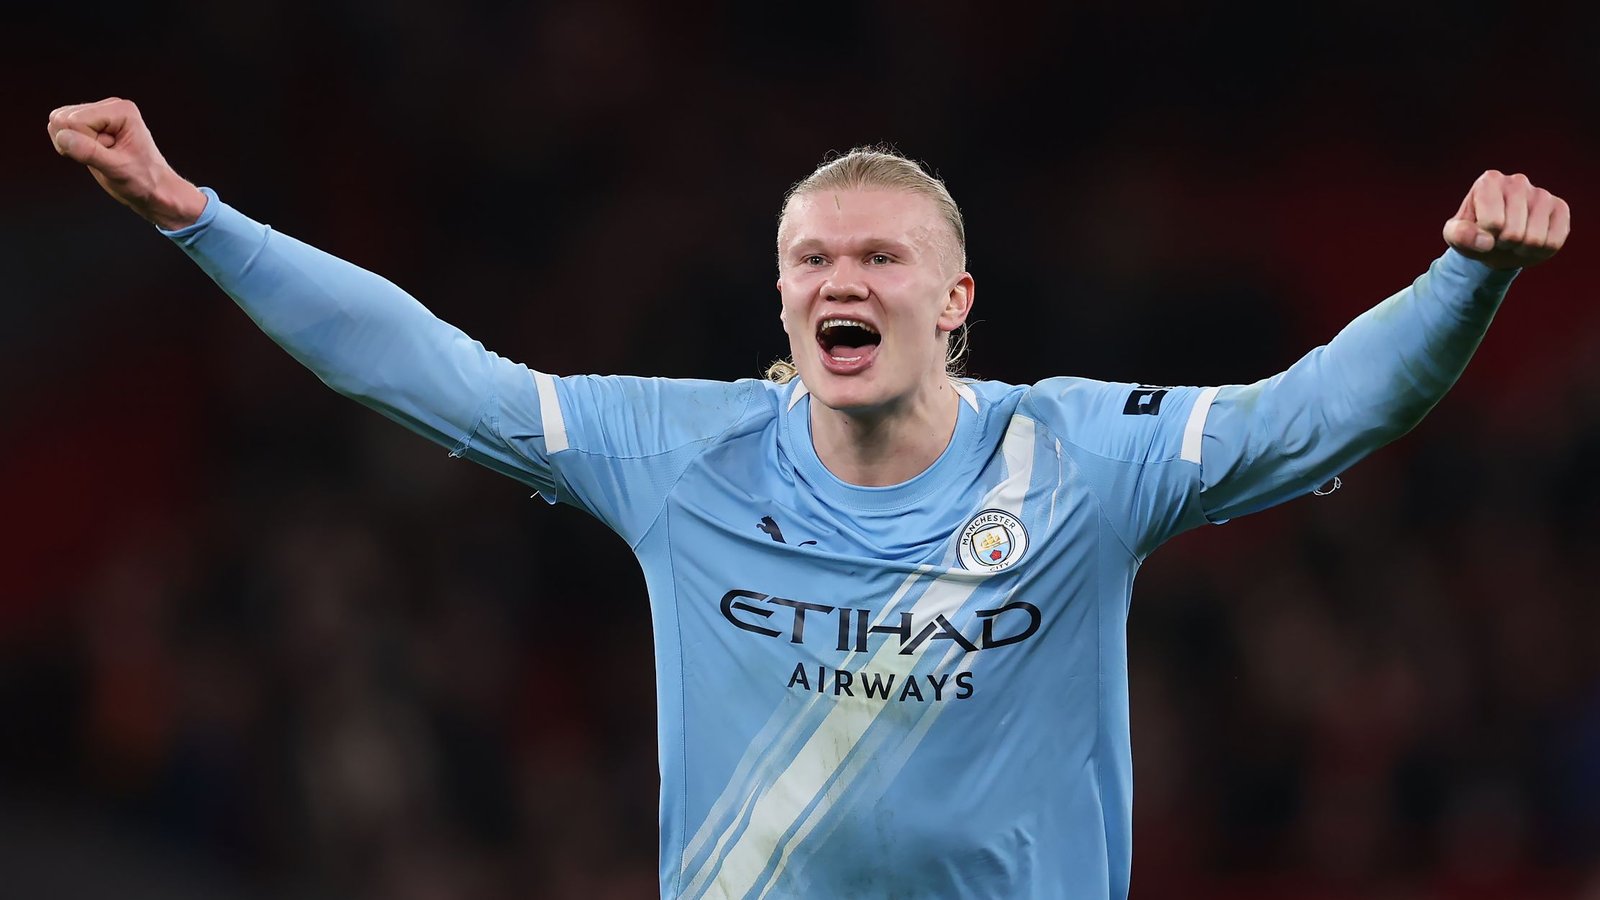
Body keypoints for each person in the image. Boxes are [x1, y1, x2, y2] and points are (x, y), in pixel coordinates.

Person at [48, 97, 1569, 900]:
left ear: (955, 298)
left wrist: (1466, 277)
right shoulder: (680, 456)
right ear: (783, 303)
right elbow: (433, 374)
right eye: (814, 263)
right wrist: (202, 221)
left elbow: (1320, 416)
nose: (842, 279)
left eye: (879, 257)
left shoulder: (1080, 461)